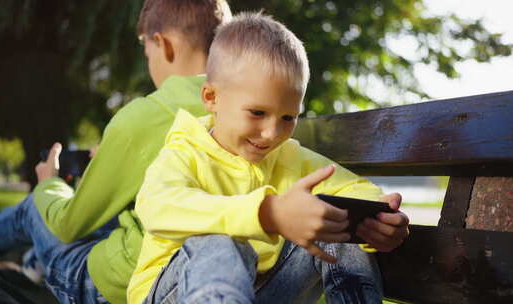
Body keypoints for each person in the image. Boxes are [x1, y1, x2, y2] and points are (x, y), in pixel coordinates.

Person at [129, 12, 410, 304]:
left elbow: (354, 190)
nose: (271, 134)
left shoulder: (288, 156)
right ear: (212, 98)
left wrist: (378, 218)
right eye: (257, 113)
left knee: (334, 219)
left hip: (258, 292)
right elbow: (156, 206)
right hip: (176, 293)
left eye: (288, 117)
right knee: (219, 242)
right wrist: (267, 213)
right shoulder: (185, 153)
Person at [0, 1, 232, 303]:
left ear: (163, 44)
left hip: (111, 288)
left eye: (147, 52)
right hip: (191, 272)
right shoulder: (249, 111)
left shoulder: (145, 117)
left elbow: (70, 225)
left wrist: (48, 182)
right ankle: (32, 261)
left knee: (36, 207)